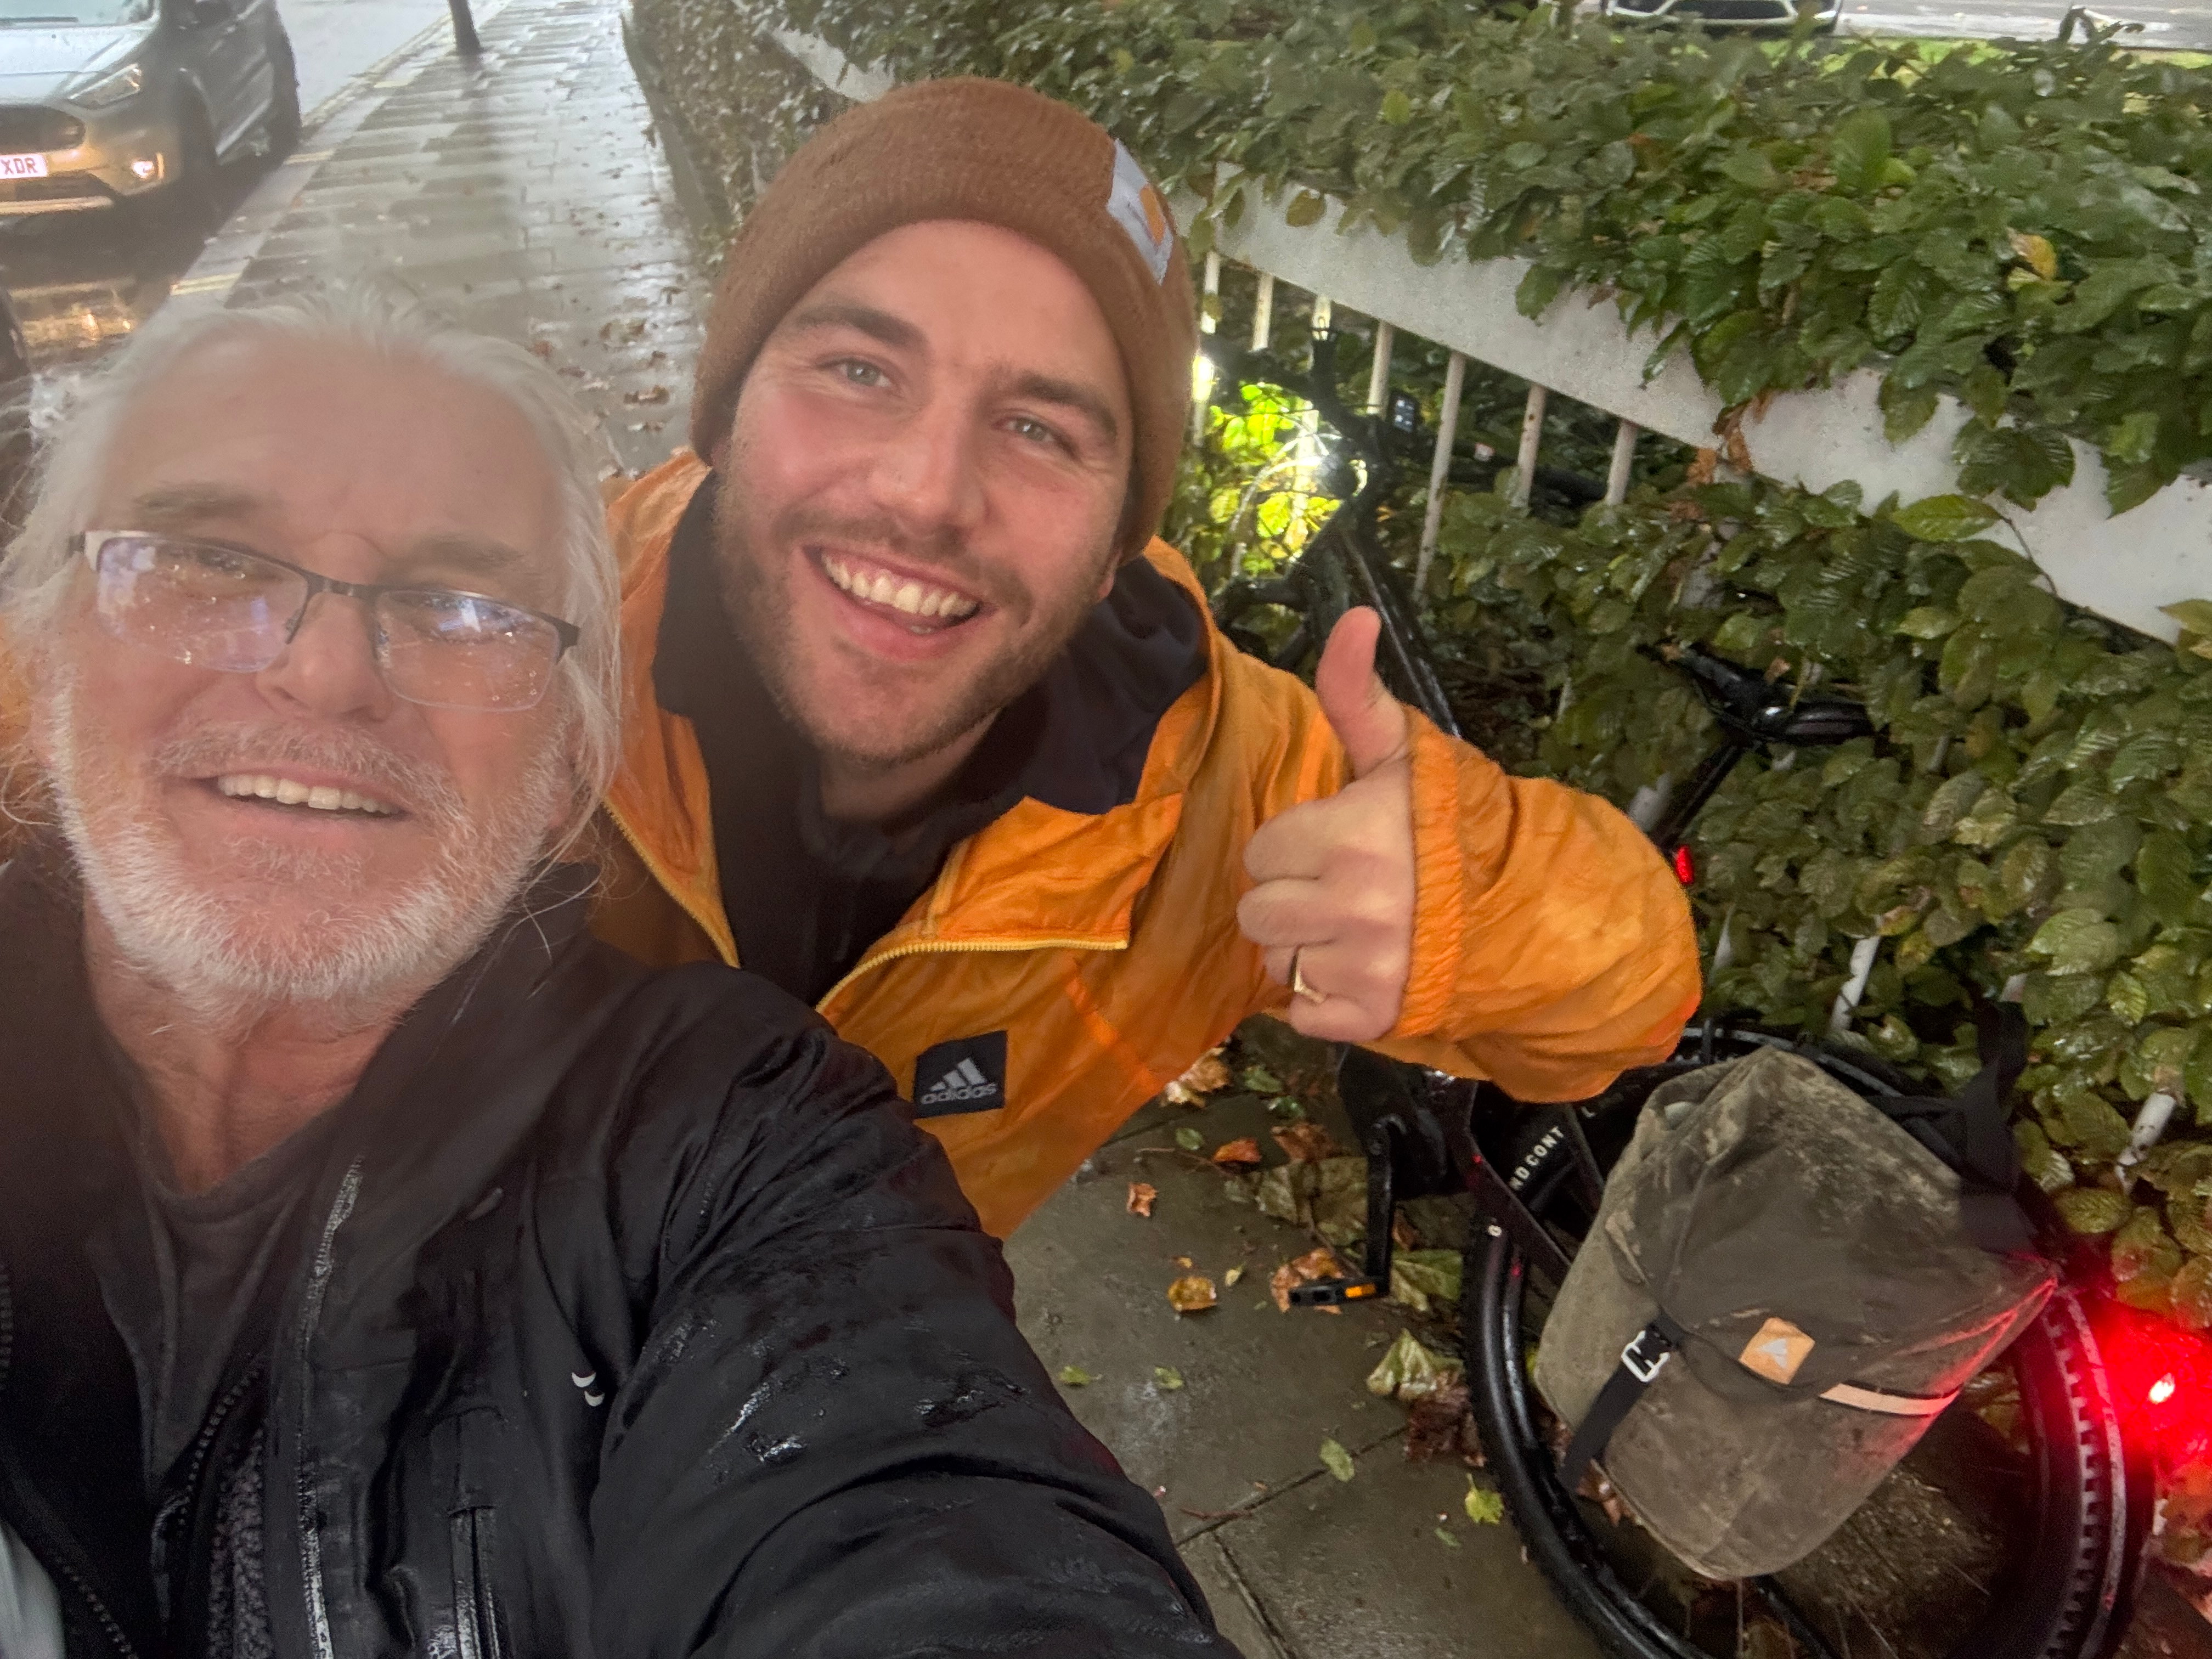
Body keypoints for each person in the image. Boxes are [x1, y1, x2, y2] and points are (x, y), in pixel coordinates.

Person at [0, 290, 1235, 1659]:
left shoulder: (735, 1144)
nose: (326, 670)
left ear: (566, 772)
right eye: (209, 559)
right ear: (41, 652)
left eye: (458, 603)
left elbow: (926, 1513)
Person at [596, 77, 1703, 1237]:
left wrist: (1473, 904)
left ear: (1119, 538)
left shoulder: (1217, 795)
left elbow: (1635, 999)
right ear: (722, 412)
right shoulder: (514, 660)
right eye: (859, 371)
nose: (927, 494)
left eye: (1039, 429)